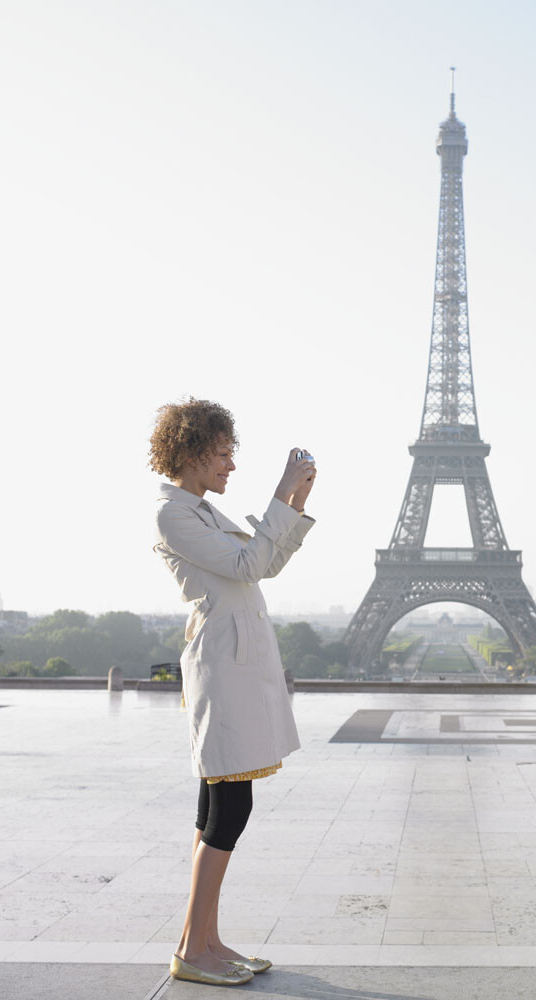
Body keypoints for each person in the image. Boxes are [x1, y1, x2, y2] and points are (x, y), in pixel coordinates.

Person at [149, 398, 317, 987]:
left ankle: (205, 941)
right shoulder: (175, 515)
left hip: (237, 665)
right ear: (191, 453)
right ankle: (195, 949)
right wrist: (278, 494)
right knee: (229, 807)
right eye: (222, 454)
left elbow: (261, 563)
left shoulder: (201, 511)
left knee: (216, 806)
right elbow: (249, 566)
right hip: (223, 668)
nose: (229, 465)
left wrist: (293, 505)